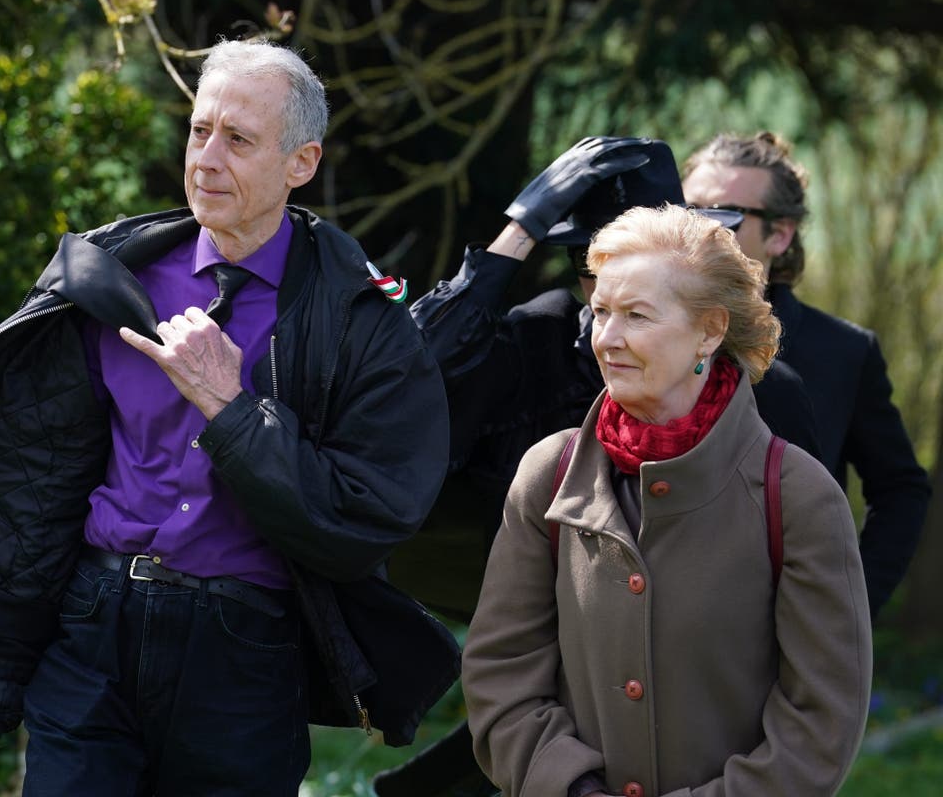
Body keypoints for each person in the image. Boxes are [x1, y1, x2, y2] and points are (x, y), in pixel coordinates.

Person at [0, 39, 457, 797]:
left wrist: (230, 407)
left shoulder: (360, 320)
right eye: (198, 130)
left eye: (239, 140)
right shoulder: (108, 278)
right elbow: (28, 496)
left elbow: (362, 517)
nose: (206, 159)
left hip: (243, 656)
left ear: (302, 163)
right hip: (89, 632)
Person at [374, 137, 819, 797]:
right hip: (522, 632)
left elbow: (799, 611)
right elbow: (397, 393)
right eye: (594, 270)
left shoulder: (767, 392)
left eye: (640, 275)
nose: (608, 296)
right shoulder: (540, 341)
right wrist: (519, 228)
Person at [462, 204, 872, 797]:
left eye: (636, 315)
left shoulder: (799, 496)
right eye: (599, 311)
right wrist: (571, 789)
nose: (606, 338)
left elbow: (820, 723)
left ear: (709, 329)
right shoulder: (548, 473)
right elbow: (502, 673)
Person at [682, 130, 931, 618]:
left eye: (726, 215)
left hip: (784, 632)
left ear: (780, 234)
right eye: (689, 210)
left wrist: (848, 606)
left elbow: (901, 490)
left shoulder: (845, 351)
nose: (700, 230)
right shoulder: (639, 332)